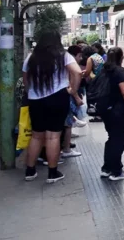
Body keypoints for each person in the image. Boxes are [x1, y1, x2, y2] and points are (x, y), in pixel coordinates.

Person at [23, 31, 82, 183]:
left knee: (36, 135)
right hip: (57, 98)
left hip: (35, 100)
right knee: (53, 136)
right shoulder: (63, 55)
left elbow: (26, 79)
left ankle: (30, 171)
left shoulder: (31, 57)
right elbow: (76, 72)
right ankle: (52, 173)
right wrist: (73, 90)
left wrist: (32, 91)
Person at [100, 47, 124, 181]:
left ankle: (107, 168)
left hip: (105, 109)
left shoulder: (104, 70)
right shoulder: (120, 71)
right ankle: (116, 171)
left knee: (111, 138)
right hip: (118, 110)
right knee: (119, 139)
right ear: (121, 57)